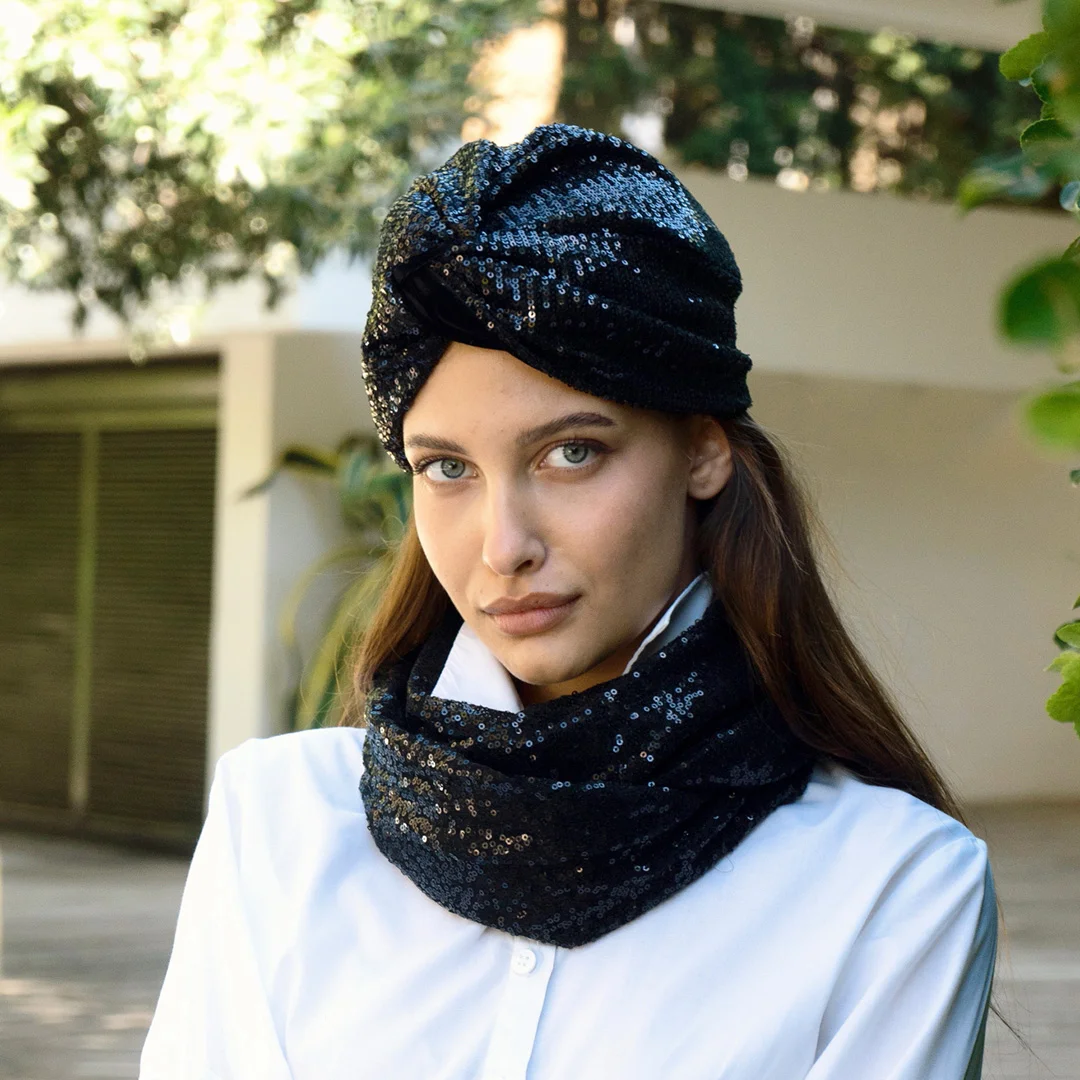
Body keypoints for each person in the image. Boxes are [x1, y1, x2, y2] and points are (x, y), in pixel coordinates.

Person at [140, 123, 998, 1080]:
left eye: (571, 452)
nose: (503, 546)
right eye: (446, 468)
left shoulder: (896, 886)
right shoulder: (279, 822)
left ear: (704, 450)